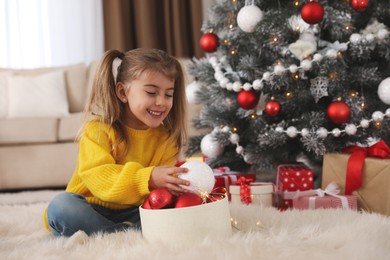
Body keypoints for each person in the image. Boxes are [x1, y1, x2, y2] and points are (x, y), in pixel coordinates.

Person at [44, 48, 190, 237]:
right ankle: (125, 234)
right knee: (61, 205)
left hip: (135, 211)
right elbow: (99, 178)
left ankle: (114, 234)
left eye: (168, 94)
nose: (161, 102)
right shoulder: (97, 130)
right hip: (90, 207)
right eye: (152, 92)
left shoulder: (166, 138)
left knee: (175, 213)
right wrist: (148, 178)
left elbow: (161, 195)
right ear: (122, 92)